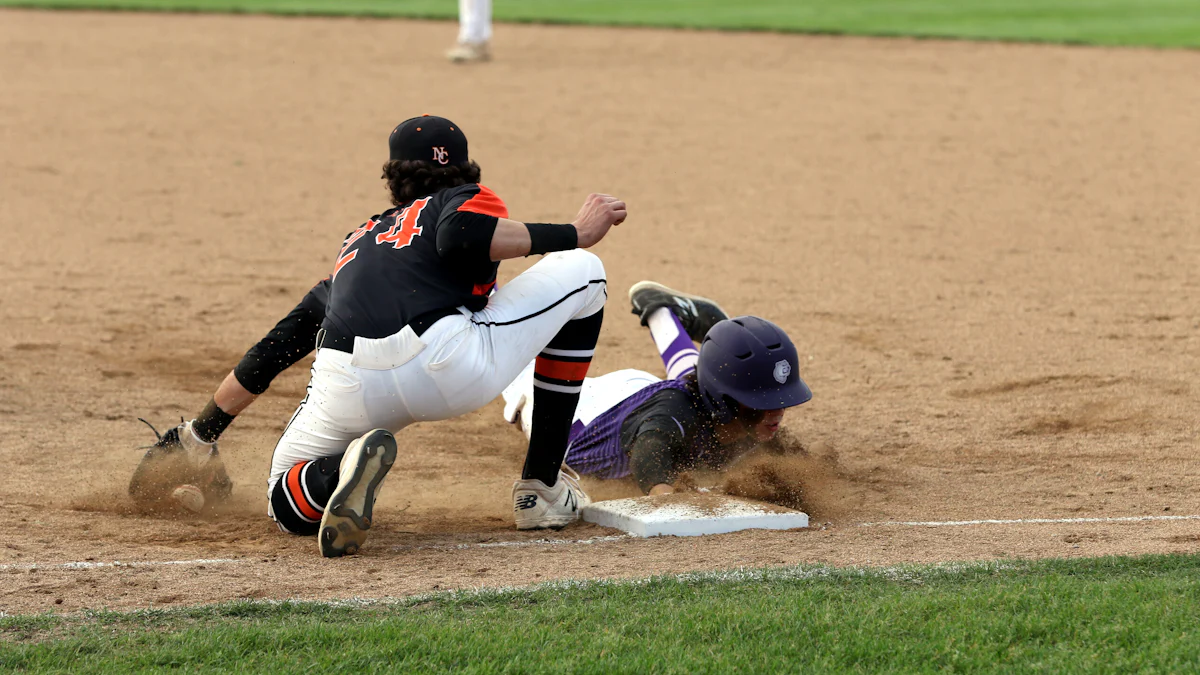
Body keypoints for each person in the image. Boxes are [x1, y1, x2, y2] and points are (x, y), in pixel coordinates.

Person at [134, 115, 628, 558]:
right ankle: (540, 489)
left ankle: (334, 472)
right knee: (585, 272)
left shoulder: (359, 240)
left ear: (393, 179)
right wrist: (574, 232)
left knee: (282, 500)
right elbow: (458, 236)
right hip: (444, 362)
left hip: (345, 379)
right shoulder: (461, 198)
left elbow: (275, 348)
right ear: (464, 169)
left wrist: (202, 434)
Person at [500, 282, 812, 495]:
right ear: (728, 401)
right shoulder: (668, 420)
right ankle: (485, 294)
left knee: (700, 376)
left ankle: (660, 309)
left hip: (649, 392)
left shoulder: (727, 406)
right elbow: (649, 456)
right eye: (763, 400)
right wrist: (665, 496)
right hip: (578, 420)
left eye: (780, 400)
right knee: (511, 367)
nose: (778, 413)